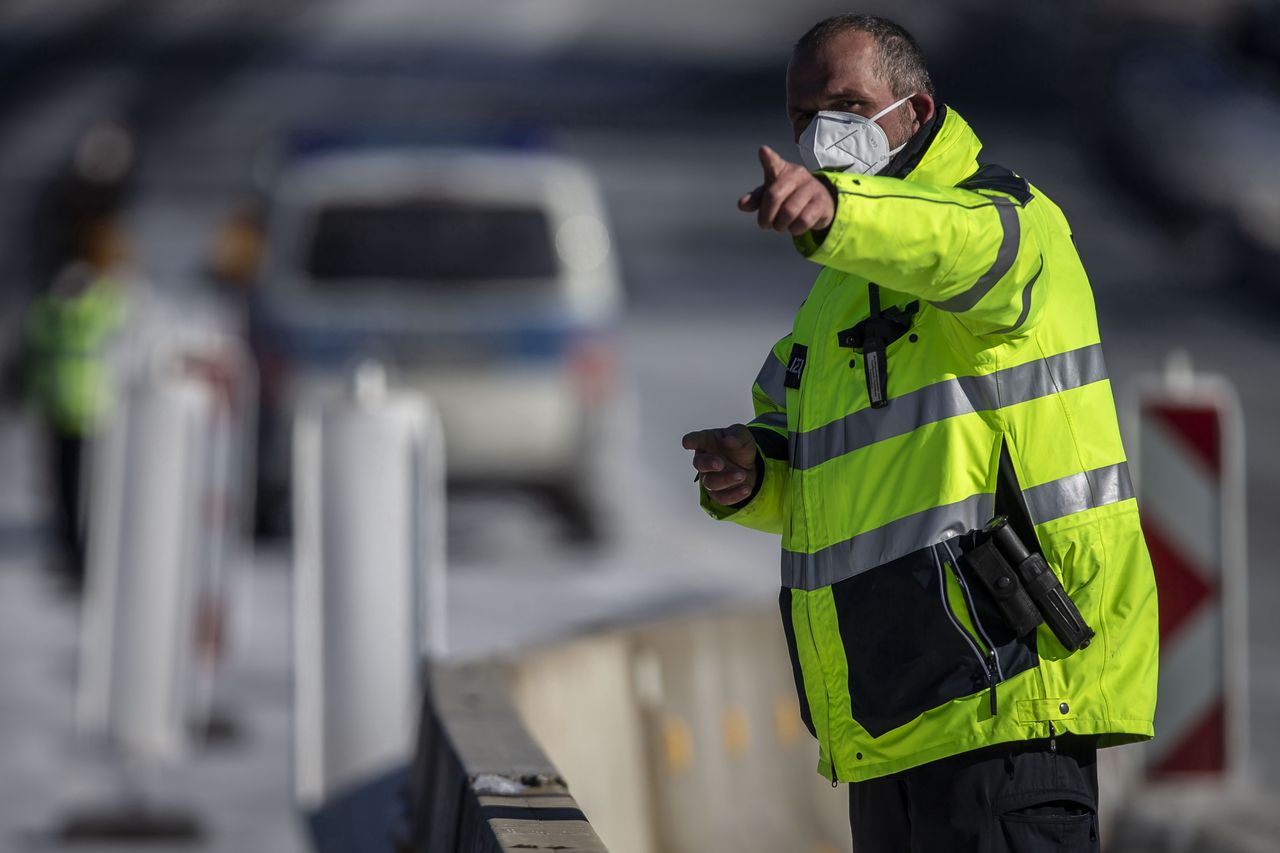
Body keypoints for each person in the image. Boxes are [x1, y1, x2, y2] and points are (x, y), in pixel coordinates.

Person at [681, 15, 1158, 852]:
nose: (822, 134)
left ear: (916, 110)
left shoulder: (1007, 219)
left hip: (1006, 712)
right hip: (892, 727)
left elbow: (949, 242)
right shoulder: (835, 295)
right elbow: (833, 472)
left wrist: (840, 210)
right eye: (802, 116)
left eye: (846, 105)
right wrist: (755, 472)